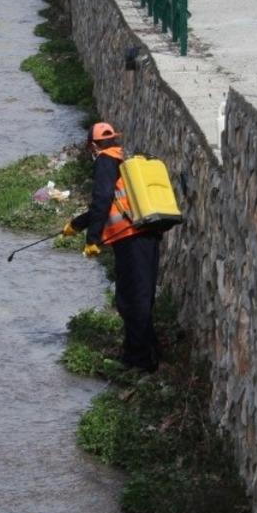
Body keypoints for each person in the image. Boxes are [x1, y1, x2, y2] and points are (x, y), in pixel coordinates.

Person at [63, 123, 161, 372]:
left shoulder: (105, 161)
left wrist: (92, 239)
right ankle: (148, 354)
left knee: (131, 300)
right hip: (145, 233)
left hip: (129, 237)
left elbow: (103, 198)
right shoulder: (122, 158)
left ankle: (137, 361)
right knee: (142, 296)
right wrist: (77, 224)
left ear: (93, 146)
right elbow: (114, 201)